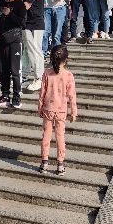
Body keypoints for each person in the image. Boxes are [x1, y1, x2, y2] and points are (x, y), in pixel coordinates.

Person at [37, 45, 77, 176]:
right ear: (67, 59)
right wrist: (74, 112)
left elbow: (42, 92)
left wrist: (40, 107)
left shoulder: (47, 73)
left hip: (48, 108)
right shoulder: (68, 75)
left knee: (46, 135)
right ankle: (60, 165)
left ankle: (44, 163)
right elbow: (72, 96)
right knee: (60, 137)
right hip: (61, 111)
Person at [0, 0, 27, 108]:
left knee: (15, 69)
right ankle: (5, 95)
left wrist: (10, 14)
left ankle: (17, 95)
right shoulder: (0, 4)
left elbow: (22, 23)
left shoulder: (20, 5)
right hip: (1, 41)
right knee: (3, 70)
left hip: (15, 40)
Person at [22, 0, 45, 91]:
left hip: (35, 25)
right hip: (27, 24)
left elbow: (26, 6)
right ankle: (24, 77)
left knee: (35, 51)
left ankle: (39, 78)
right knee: (26, 52)